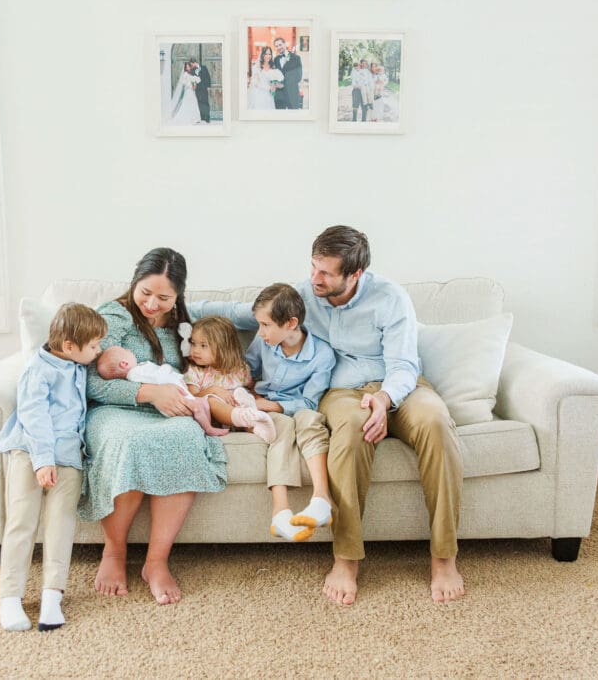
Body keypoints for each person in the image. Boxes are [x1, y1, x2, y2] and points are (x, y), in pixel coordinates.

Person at [191, 226, 466, 606]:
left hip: (398, 385)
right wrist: (174, 307)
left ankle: (444, 556)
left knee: (436, 423)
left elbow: (402, 364)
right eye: (314, 267)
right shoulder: (302, 295)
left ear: (354, 274)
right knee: (349, 434)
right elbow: (242, 314)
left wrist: (385, 399)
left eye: (326, 273)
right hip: (341, 392)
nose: (315, 278)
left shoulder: (390, 298)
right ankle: (346, 559)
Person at [79, 248, 227, 605]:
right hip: (116, 408)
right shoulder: (115, 316)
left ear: (178, 297)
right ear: (134, 282)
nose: (151, 304)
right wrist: (149, 393)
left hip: (169, 409)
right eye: (145, 292)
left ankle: (156, 562)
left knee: (184, 438)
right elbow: (90, 381)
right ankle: (114, 553)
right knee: (128, 443)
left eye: (163, 297)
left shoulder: (183, 326)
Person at [0, 302, 106, 632]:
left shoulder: (78, 363)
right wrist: (43, 461)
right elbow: (34, 417)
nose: (98, 351)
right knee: (21, 521)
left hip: (69, 455)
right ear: (70, 346)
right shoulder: (38, 370)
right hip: (30, 451)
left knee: (61, 523)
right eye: (95, 346)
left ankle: (52, 595)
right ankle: (10, 597)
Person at [243, 283, 336, 542]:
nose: (260, 332)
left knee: (310, 420)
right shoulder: (264, 342)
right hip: (268, 407)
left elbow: (310, 401)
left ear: (291, 323)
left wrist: (274, 406)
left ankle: (321, 499)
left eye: (266, 325)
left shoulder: (322, 355)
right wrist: (245, 390)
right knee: (280, 428)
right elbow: (247, 370)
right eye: (259, 324)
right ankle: (280, 513)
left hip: (297, 405)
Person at [95, 345, 228, 437]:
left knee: (203, 403)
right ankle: (208, 429)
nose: (129, 350)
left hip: (178, 394)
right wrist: (167, 368)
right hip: (174, 400)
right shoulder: (136, 373)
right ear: (124, 364)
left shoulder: (139, 369)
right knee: (198, 407)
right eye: (126, 351)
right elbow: (159, 376)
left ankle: (209, 425)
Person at [184, 316, 276, 444]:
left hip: (237, 415)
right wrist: (213, 390)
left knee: (241, 393)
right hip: (214, 418)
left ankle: (256, 427)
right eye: (193, 343)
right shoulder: (195, 371)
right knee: (211, 399)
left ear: (223, 347)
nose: (195, 350)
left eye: (203, 345)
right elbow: (192, 397)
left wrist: (258, 398)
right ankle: (245, 417)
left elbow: (252, 386)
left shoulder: (239, 369)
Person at [273, 37, 303, 110]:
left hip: (292, 93)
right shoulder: (276, 59)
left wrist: (284, 84)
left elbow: (298, 77)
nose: (279, 47)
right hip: (279, 95)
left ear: (285, 44)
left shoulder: (296, 58)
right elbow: (275, 75)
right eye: (276, 46)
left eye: (280, 45)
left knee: (293, 118)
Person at [247, 46, 280, 110]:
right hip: (260, 94)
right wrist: (268, 88)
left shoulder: (272, 66)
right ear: (262, 55)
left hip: (270, 95)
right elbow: (255, 83)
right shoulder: (256, 67)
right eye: (266, 54)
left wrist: (275, 85)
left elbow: (274, 80)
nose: (268, 56)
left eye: (269, 54)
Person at [190, 59, 212, 123]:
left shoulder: (204, 68)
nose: (192, 66)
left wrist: (208, 86)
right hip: (197, 89)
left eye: (192, 64)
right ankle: (202, 116)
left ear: (195, 63)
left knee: (205, 102)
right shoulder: (192, 70)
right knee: (199, 103)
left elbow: (208, 77)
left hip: (204, 88)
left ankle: (207, 116)